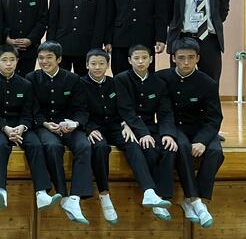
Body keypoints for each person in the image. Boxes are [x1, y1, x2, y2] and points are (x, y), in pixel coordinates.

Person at [0, 44, 59, 212]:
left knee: (35, 144)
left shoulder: (26, 84)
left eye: (12, 60)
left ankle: (42, 193)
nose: (8, 64)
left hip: (21, 126)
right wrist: (5, 128)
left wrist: (22, 127)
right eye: (4, 60)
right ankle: (0, 190)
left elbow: (28, 111)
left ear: (17, 61)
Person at [157, 38, 225, 227]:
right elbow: (164, 111)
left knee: (215, 152)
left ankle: (193, 199)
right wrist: (168, 133)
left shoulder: (208, 83)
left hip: (200, 128)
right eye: (181, 58)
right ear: (173, 58)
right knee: (183, 148)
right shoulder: (162, 78)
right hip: (176, 126)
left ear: (198, 58)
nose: (186, 62)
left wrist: (202, 140)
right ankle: (195, 200)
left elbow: (214, 117)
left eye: (191, 57)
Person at [26, 41, 93, 225]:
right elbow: (32, 109)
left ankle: (75, 198)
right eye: (41, 58)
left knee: (84, 146)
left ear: (59, 59)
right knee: (52, 146)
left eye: (49, 57)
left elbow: (81, 109)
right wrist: (45, 124)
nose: (44, 61)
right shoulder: (31, 78)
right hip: (44, 125)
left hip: (69, 125)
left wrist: (74, 123)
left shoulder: (73, 79)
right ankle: (62, 195)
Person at [114, 44, 179, 221]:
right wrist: (142, 133)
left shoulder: (159, 83)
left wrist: (168, 134)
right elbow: (126, 110)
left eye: (144, 58)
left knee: (170, 148)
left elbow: (165, 112)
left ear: (151, 59)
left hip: (151, 127)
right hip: (129, 126)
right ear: (130, 60)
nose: (141, 62)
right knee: (149, 149)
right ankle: (153, 195)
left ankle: (163, 197)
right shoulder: (121, 79)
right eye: (136, 58)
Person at [79, 49, 126, 224]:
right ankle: (104, 194)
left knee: (134, 144)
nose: (97, 67)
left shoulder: (115, 83)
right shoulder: (80, 84)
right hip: (93, 127)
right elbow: (78, 110)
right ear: (87, 65)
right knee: (100, 147)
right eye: (93, 63)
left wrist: (126, 124)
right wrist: (88, 128)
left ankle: (150, 191)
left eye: (101, 64)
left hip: (115, 126)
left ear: (107, 65)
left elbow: (124, 107)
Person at [0, 0, 48, 77]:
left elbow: (43, 20)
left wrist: (30, 39)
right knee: (8, 78)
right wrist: (7, 39)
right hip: (8, 48)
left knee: (28, 79)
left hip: (30, 47)